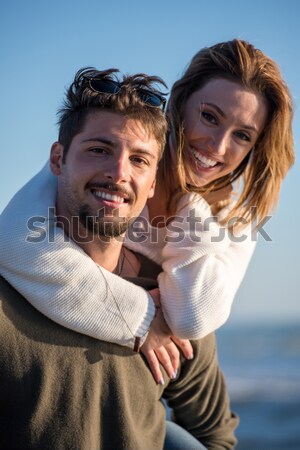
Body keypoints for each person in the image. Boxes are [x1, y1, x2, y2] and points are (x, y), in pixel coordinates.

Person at [0, 39, 295, 385]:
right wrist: (142, 318)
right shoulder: (121, 156)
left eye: (242, 136)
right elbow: (14, 241)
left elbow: (193, 318)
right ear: (181, 105)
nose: (218, 146)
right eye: (210, 117)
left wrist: (193, 206)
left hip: (173, 386)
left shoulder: (235, 217)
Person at [0, 67, 238, 449]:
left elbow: (215, 437)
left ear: (154, 183)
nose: (118, 173)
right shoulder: (5, 299)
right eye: (99, 150)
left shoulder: (172, 301)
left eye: (140, 160)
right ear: (58, 160)